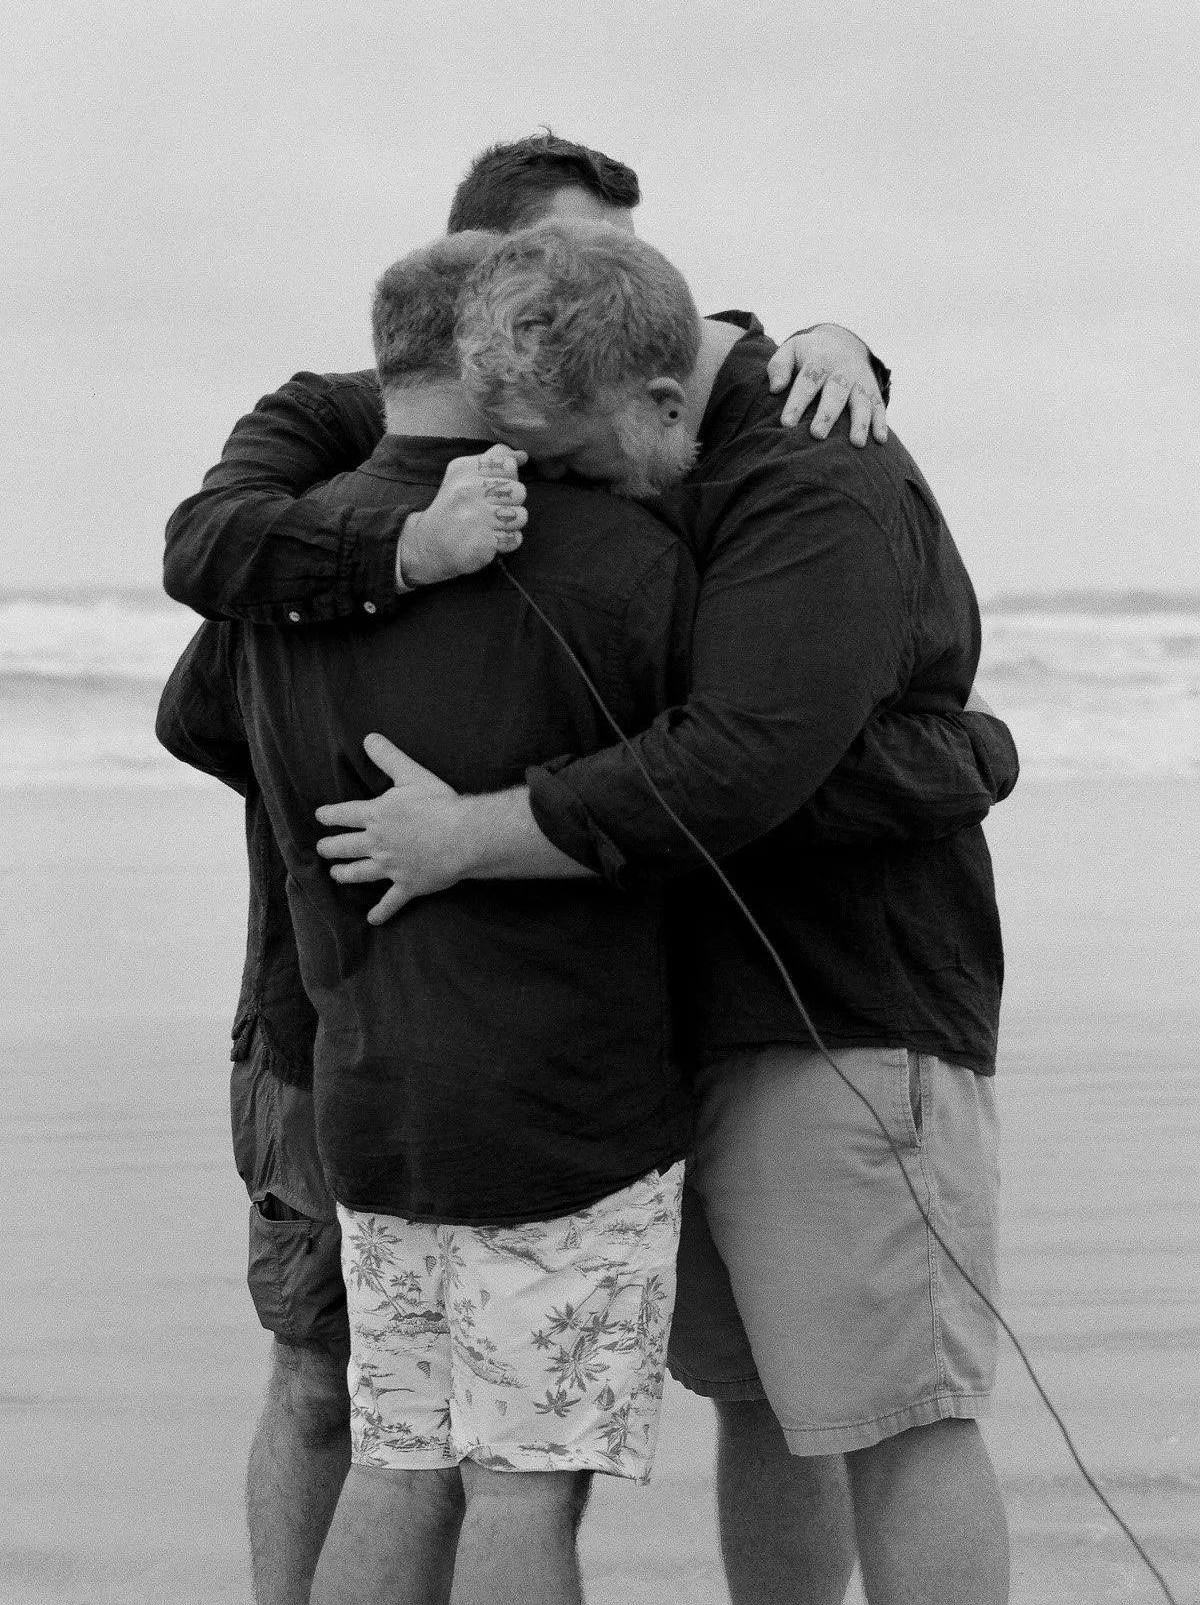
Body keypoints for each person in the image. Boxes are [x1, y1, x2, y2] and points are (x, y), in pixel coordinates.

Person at [162, 132, 1018, 1604]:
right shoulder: (519, 502)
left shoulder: (755, 471)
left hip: (564, 1042)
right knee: (522, 1470)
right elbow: (726, 748)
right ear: (493, 294)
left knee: (426, 1442)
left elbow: (738, 751)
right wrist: (969, 754)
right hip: (533, 1072)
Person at [158, 231, 702, 1605]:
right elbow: (710, 796)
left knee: (403, 1455)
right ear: (504, 346)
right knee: (523, 1480)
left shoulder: (286, 566)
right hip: (562, 1103)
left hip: (368, 1083)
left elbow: (202, 718)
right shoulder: (620, 556)